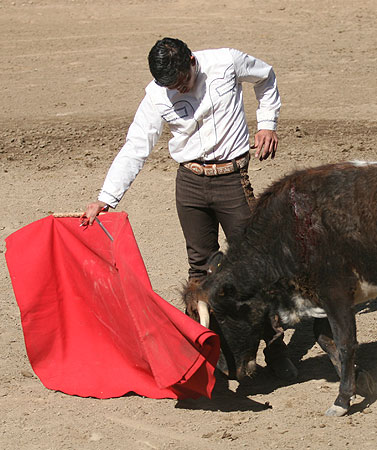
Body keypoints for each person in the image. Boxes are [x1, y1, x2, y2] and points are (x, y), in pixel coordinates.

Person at [81, 37, 297, 380]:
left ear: (192, 61)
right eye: (171, 86)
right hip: (190, 183)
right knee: (198, 268)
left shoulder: (226, 62)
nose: (178, 89)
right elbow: (136, 145)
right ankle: (206, 350)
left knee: (255, 266)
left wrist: (267, 123)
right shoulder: (157, 94)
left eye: (182, 80)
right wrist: (107, 198)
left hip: (232, 180)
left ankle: (274, 345)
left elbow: (266, 77)